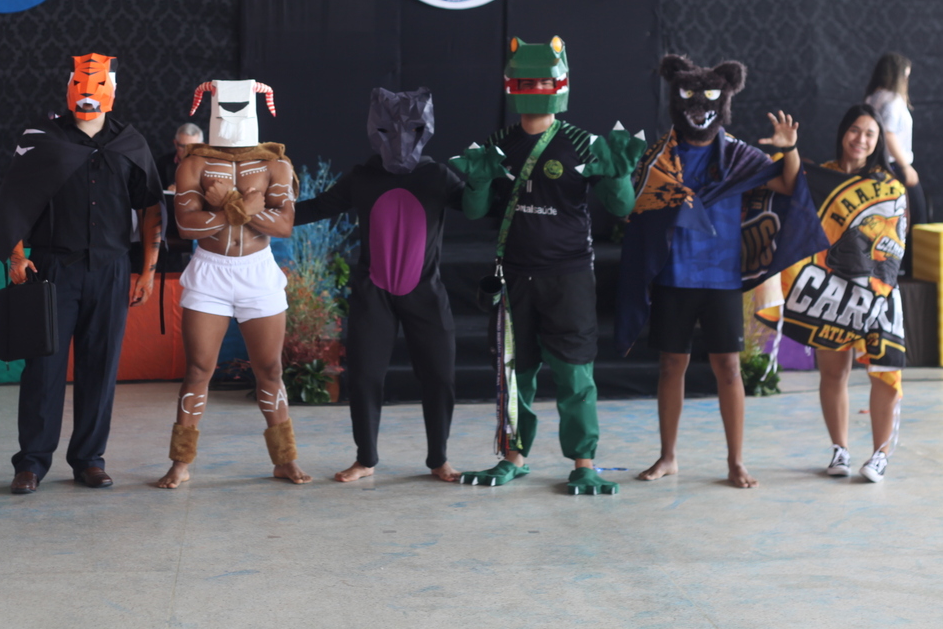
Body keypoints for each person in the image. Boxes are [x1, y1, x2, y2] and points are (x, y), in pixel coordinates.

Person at [450, 36, 643, 496]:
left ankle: (583, 462)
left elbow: (622, 206)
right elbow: (476, 212)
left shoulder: (583, 143)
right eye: (526, 78)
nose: (535, 85)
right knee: (514, 372)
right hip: (515, 276)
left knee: (576, 373)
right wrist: (477, 181)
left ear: (561, 81)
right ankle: (514, 458)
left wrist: (617, 173)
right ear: (512, 84)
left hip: (569, 276)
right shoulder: (498, 145)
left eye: (543, 78)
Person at [615, 54, 813, 490]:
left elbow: (786, 184)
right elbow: (631, 205)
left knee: (728, 368)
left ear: (723, 100)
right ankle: (668, 457)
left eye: (708, 98)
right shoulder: (659, 157)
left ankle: (735, 462)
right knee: (671, 366)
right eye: (688, 96)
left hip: (721, 278)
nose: (698, 106)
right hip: (673, 276)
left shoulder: (739, 156)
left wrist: (788, 148)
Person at [0, 53, 162, 493]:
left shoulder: (131, 142)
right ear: (69, 87)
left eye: (98, 86)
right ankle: (31, 462)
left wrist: (148, 270)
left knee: (99, 366)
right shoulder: (44, 138)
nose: (88, 94)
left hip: (111, 269)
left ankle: (89, 458)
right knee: (42, 366)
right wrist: (15, 254)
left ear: (113, 91)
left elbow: (151, 209)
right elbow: (14, 198)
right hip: (53, 268)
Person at [295, 87, 464, 483]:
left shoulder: (437, 176)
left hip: (426, 292)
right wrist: (260, 212)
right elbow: (318, 207)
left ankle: (439, 459)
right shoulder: (363, 177)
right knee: (366, 376)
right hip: (374, 294)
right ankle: (365, 458)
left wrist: (498, 180)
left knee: (440, 376)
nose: (400, 138)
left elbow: (481, 204)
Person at [156, 79, 309, 489]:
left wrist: (225, 202)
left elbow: (284, 225)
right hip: (210, 271)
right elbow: (186, 226)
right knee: (198, 369)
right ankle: (180, 462)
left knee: (270, 369)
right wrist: (242, 206)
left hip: (258, 271)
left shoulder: (277, 164)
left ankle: (284, 458)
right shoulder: (192, 164)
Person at [757, 104, 908, 482]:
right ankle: (840, 449)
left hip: (879, 289)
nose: (861, 139)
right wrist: (788, 148)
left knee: (884, 371)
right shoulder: (821, 176)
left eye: (870, 134)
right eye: (855, 130)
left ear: (877, 142)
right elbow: (789, 185)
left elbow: (896, 244)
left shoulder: (890, 186)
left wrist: (877, 289)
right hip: (831, 286)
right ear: (844, 133)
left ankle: (880, 455)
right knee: (833, 371)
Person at [864, 53, 925, 231]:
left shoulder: (872, 97)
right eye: (906, 75)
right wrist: (905, 166)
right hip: (895, 166)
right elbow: (889, 134)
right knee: (916, 217)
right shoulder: (892, 101)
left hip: (877, 166)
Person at [157, 123, 204, 254]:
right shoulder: (163, 163)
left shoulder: (209, 166)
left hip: (198, 219)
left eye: (193, 147)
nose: (187, 152)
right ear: (175, 143)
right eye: (182, 147)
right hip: (171, 219)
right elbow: (154, 193)